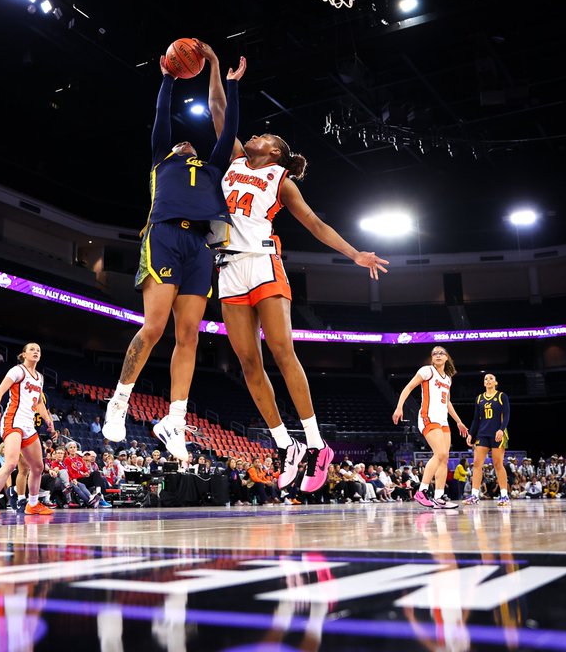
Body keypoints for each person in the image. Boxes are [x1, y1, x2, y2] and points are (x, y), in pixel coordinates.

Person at [209, 60, 388, 493]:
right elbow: (217, 107)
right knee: (249, 364)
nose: (253, 135)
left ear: (274, 151)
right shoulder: (231, 159)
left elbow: (315, 224)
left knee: (283, 351)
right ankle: (285, 446)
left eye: (264, 136)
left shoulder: (281, 178)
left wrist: (355, 254)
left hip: (263, 263)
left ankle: (315, 444)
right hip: (227, 267)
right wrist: (217, 70)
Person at [101, 42, 240, 461]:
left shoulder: (213, 166)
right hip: (163, 236)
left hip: (199, 245)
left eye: (189, 144)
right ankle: (120, 401)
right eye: (181, 143)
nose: (186, 144)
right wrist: (167, 77)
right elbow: (162, 116)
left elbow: (229, 130)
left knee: (189, 336)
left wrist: (227, 81)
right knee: (155, 326)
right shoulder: (163, 159)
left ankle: (174, 420)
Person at [0, 343, 57, 516]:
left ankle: (32, 504)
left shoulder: (39, 377)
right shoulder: (17, 371)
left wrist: (48, 419)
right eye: (32, 349)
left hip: (28, 424)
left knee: (38, 467)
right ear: (23, 354)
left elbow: (39, 402)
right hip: (12, 421)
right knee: (10, 463)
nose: (36, 352)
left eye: (38, 350)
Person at [392, 346, 469, 509]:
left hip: (443, 420)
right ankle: (422, 490)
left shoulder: (448, 378)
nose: (438, 355)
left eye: (441, 353)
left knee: (444, 457)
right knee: (440, 453)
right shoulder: (427, 371)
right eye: (435, 353)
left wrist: (459, 421)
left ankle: (439, 497)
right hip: (428, 416)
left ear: (447, 357)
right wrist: (399, 407)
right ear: (432, 358)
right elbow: (408, 387)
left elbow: (447, 402)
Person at [464, 374, 512, 506]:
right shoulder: (479, 399)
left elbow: (507, 414)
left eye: (491, 378)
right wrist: (471, 434)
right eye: (486, 379)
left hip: (497, 434)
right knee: (477, 463)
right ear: (484, 383)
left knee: (498, 464)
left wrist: (501, 429)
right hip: (482, 434)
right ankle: (474, 495)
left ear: (496, 382)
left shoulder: (502, 396)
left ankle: (504, 495)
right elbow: (475, 419)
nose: (488, 380)